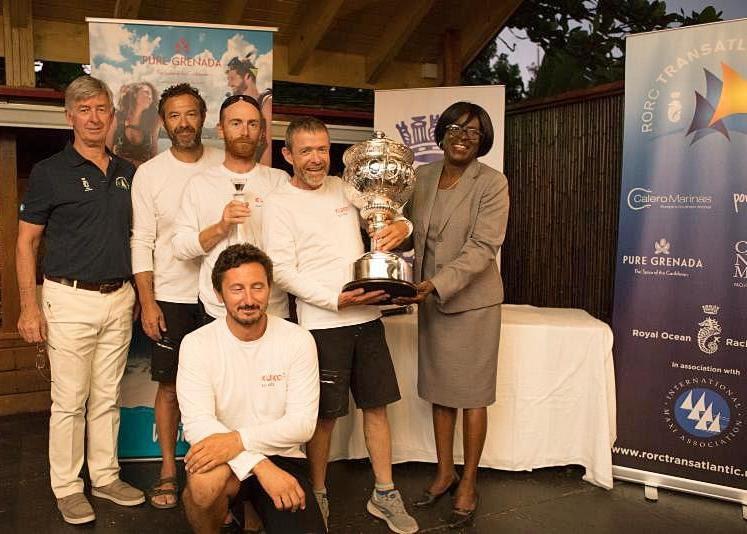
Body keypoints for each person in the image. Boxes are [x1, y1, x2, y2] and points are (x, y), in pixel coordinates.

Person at [262, 116, 418, 534]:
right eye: (307, 151)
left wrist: (404, 226)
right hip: (320, 325)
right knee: (323, 418)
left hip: (368, 318)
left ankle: (384, 493)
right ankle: (317, 495)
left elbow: (386, 210)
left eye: (323, 149)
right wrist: (335, 299)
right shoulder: (278, 204)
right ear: (288, 154)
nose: (317, 159)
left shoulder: (345, 188)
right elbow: (281, 271)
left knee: (376, 407)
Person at [16, 75, 144, 525]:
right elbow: (25, 243)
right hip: (67, 298)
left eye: (102, 109)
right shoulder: (51, 171)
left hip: (119, 297)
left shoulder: (129, 173)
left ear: (113, 115)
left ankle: (105, 477)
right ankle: (68, 486)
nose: (94, 117)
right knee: (70, 399)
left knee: (107, 396)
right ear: (70, 116)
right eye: (84, 109)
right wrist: (29, 306)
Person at [395, 101, 509, 529]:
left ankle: (469, 483)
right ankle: (445, 472)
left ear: (483, 141)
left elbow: (483, 247)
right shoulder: (421, 176)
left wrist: (436, 283)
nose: (463, 137)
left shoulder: (492, 183)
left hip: (471, 303)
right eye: (456, 129)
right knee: (440, 390)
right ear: (441, 133)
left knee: (472, 395)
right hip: (431, 301)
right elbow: (403, 229)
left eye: (474, 132)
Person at [177, 244, 326, 534]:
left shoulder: (297, 340)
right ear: (219, 294)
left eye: (257, 287)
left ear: (270, 288)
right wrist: (259, 465)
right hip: (226, 460)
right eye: (237, 289)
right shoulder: (197, 343)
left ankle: (252, 512)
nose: (248, 299)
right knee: (204, 485)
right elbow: (198, 424)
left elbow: (302, 426)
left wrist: (239, 441)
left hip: (283, 456)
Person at [130, 83, 224, 509]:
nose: (183, 123)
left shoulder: (224, 165)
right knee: (169, 386)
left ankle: (213, 467)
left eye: (190, 114)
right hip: (171, 295)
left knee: (223, 385)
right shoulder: (149, 174)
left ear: (203, 118)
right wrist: (147, 301)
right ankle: (169, 468)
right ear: (163, 122)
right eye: (174, 115)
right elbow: (141, 241)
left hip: (222, 295)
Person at [173, 94, 290, 323]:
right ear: (220, 129)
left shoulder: (280, 181)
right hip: (217, 311)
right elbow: (179, 248)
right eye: (236, 123)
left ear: (261, 131)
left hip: (273, 310)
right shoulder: (200, 184)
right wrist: (221, 227)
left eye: (252, 124)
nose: (245, 132)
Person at [225, 55, 272, 166]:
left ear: (247, 77)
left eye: (232, 79)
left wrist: (262, 178)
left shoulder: (267, 101)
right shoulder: (242, 105)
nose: (229, 84)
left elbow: (269, 146)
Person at [107, 81, 160, 167]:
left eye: (152, 96)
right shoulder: (117, 118)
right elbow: (106, 151)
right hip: (119, 175)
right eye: (147, 93)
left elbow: (154, 155)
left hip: (142, 175)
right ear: (135, 94)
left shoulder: (152, 122)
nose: (150, 97)